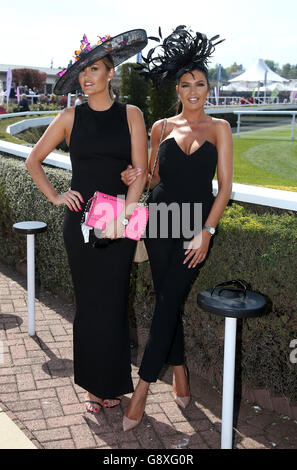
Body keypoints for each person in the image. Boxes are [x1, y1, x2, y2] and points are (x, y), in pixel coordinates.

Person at [25, 29, 148, 414]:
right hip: (79, 226)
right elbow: (33, 161)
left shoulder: (132, 115)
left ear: (111, 73)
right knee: (89, 304)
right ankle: (93, 387)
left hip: (118, 224)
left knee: (113, 303)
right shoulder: (68, 117)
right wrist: (57, 196)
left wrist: (125, 214)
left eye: (95, 68)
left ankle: (111, 382)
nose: (87, 76)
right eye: (83, 71)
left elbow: (141, 172)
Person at [121, 26, 233, 431]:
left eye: (199, 83)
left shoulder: (220, 129)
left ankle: (143, 388)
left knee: (169, 300)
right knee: (168, 300)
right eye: (185, 84)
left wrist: (207, 231)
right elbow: (151, 181)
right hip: (159, 221)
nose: (192, 91)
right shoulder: (161, 128)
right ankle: (180, 371)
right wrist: (133, 175)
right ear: (177, 88)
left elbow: (224, 190)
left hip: (193, 228)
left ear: (208, 87)